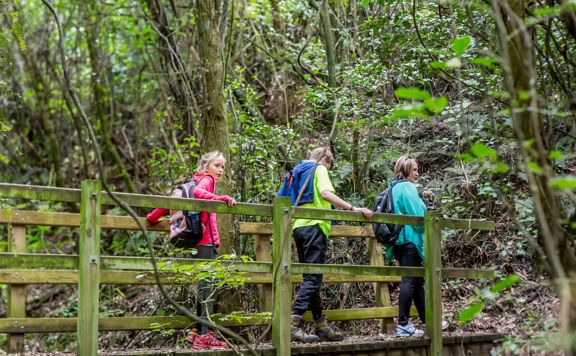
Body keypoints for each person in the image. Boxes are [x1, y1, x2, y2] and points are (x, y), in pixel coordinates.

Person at [146, 151, 236, 350]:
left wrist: (152, 218)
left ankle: (197, 330)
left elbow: (157, 213)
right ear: (205, 166)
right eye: (217, 165)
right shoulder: (206, 181)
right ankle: (204, 335)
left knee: (204, 284)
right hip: (207, 242)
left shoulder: (188, 185)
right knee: (208, 286)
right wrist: (220, 198)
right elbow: (199, 195)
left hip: (196, 243)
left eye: (222, 167)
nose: (220, 170)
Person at [289, 147, 374, 343]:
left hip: (299, 227)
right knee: (313, 278)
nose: (328, 168)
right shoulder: (318, 169)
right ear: (325, 159)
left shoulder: (298, 172)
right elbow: (326, 193)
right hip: (315, 227)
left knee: (311, 278)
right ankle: (292, 324)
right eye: (329, 164)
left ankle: (321, 326)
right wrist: (353, 208)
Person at [387, 155, 447, 337]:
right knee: (410, 280)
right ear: (405, 170)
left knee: (416, 281)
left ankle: (428, 320)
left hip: (400, 241)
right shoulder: (407, 187)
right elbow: (419, 216)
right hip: (409, 240)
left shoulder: (395, 188)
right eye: (414, 169)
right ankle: (403, 324)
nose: (417, 173)